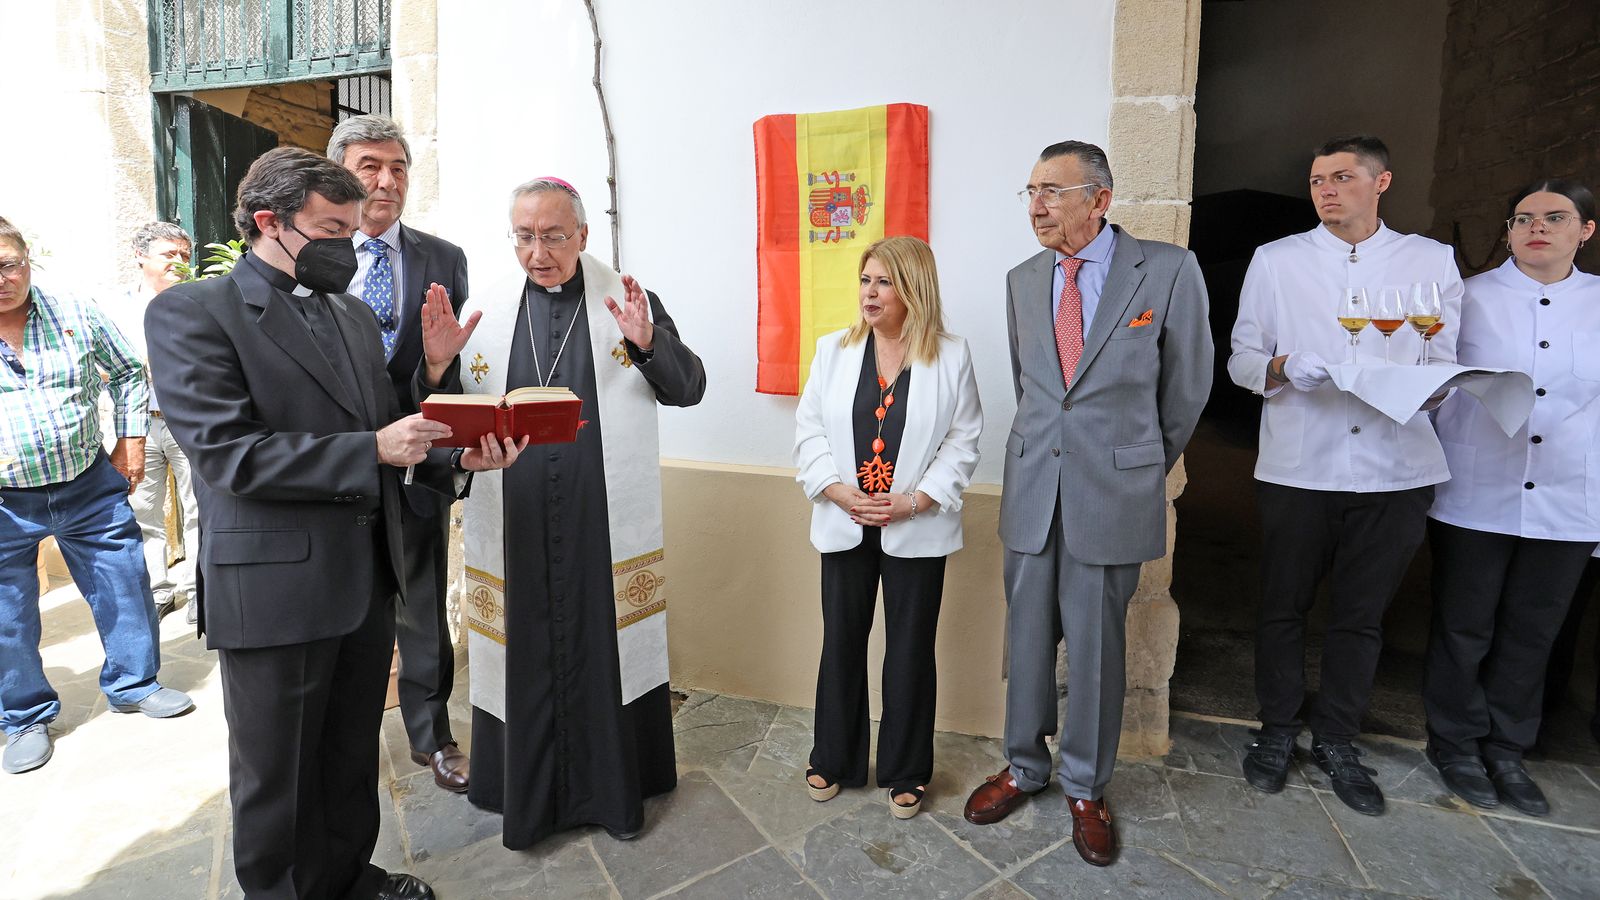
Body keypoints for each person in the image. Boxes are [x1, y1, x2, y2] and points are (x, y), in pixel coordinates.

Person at [145, 147, 524, 900]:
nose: (345, 248)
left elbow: (388, 431)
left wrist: (457, 448)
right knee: (277, 773)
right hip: (275, 590)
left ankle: (349, 878)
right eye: (328, 229)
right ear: (268, 222)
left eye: (351, 232)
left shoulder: (350, 316)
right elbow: (229, 456)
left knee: (350, 755)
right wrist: (373, 448)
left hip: (361, 577)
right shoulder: (194, 313)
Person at [418, 176, 706, 848]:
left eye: (553, 236)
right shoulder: (485, 308)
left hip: (601, 524)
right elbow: (443, 420)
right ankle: (522, 790)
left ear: (582, 235)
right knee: (519, 654)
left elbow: (688, 388)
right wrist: (435, 367)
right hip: (511, 519)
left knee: (604, 651)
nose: (538, 251)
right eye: (524, 236)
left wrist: (649, 342)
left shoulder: (628, 302)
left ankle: (612, 791)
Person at [961, 141, 1213, 866]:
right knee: (1028, 638)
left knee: (1098, 648)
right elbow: (1032, 389)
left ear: (1099, 199)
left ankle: (1084, 786)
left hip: (1114, 491)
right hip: (1035, 489)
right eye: (1030, 190)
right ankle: (1023, 766)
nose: (1037, 205)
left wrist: (1136, 466)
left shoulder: (1166, 271)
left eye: (1052, 190)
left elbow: (1188, 388)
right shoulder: (1021, 279)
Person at [1227, 135, 1464, 816]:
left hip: (1397, 469)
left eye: (1342, 177)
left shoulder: (1429, 261)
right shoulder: (1277, 261)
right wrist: (1279, 368)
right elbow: (1242, 356)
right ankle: (1275, 730)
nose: (1326, 190)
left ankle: (1337, 738)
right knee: (1281, 607)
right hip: (1300, 466)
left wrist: (1431, 389)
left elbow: (1444, 362)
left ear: (1382, 181)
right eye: (1316, 180)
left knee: (1361, 618)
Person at [1423, 178, 1600, 816]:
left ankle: (1507, 747)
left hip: (1570, 496)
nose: (1537, 228)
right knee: (1464, 624)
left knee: (1533, 631)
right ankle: (1454, 742)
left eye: (1556, 217)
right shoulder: (1469, 298)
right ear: (1507, 231)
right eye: (1522, 218)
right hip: (1478, 490)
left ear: (1586, 230)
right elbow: (1432, 387)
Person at [793, 235, 982, 819]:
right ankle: (834, 757)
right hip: (845, 519)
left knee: (908, 650)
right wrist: (837, 490)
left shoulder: (951, 355)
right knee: (842, 642)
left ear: (914, 288)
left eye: (884, 282)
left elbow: (963, 439)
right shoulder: (833, 351)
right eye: (865, 281)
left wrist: (917, 501)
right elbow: (809, 432)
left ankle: (905, 769)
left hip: (915, 526)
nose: (870, 293)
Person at [0, 216, 194, 776]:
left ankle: (134, 683)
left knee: (124, 582)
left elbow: (130, 372)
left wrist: (131, 440)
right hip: (6, 501)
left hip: (87, 481)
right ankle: (24, 716)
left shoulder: (74, 312)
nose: (3, 278)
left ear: (27, 260)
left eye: (10, 263)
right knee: (8, 615)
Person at [330, 114, 473, 794]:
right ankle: (338, 734)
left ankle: (431, 734)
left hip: (418, 459)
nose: (386, 181)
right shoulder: (311, 258)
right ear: (341, 174)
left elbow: (450, 370)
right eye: (369, 167)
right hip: (338, 461)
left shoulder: (444, 259)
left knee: (421, 602)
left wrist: (438, 379)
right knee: (340, 601)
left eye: (397, 168)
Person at [104, 221, 201, 624]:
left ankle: (199, 592)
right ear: (140, 256)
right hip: (136, 426)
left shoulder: (199, 302)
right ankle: (158, 591)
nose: (178, 263)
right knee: (143, 512)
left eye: (184, 255)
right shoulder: (113, 307)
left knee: (200, 509)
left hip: (190, 421)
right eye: (168, 254)